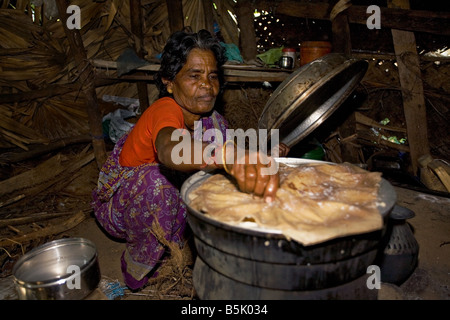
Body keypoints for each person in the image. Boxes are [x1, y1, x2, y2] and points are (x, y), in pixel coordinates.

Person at [91, 29, 286, 290]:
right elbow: (169, 148)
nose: (207, 85)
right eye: (194, 76)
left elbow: (235, 160)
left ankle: (177, 236)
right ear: (169, 82)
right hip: (123, 209)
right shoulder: (165, 109)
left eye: (212, 76)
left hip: (173, 202)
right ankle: (136, 265)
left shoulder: (213, 120)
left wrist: (265, 155)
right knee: (158, 181)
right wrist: (222, 155)